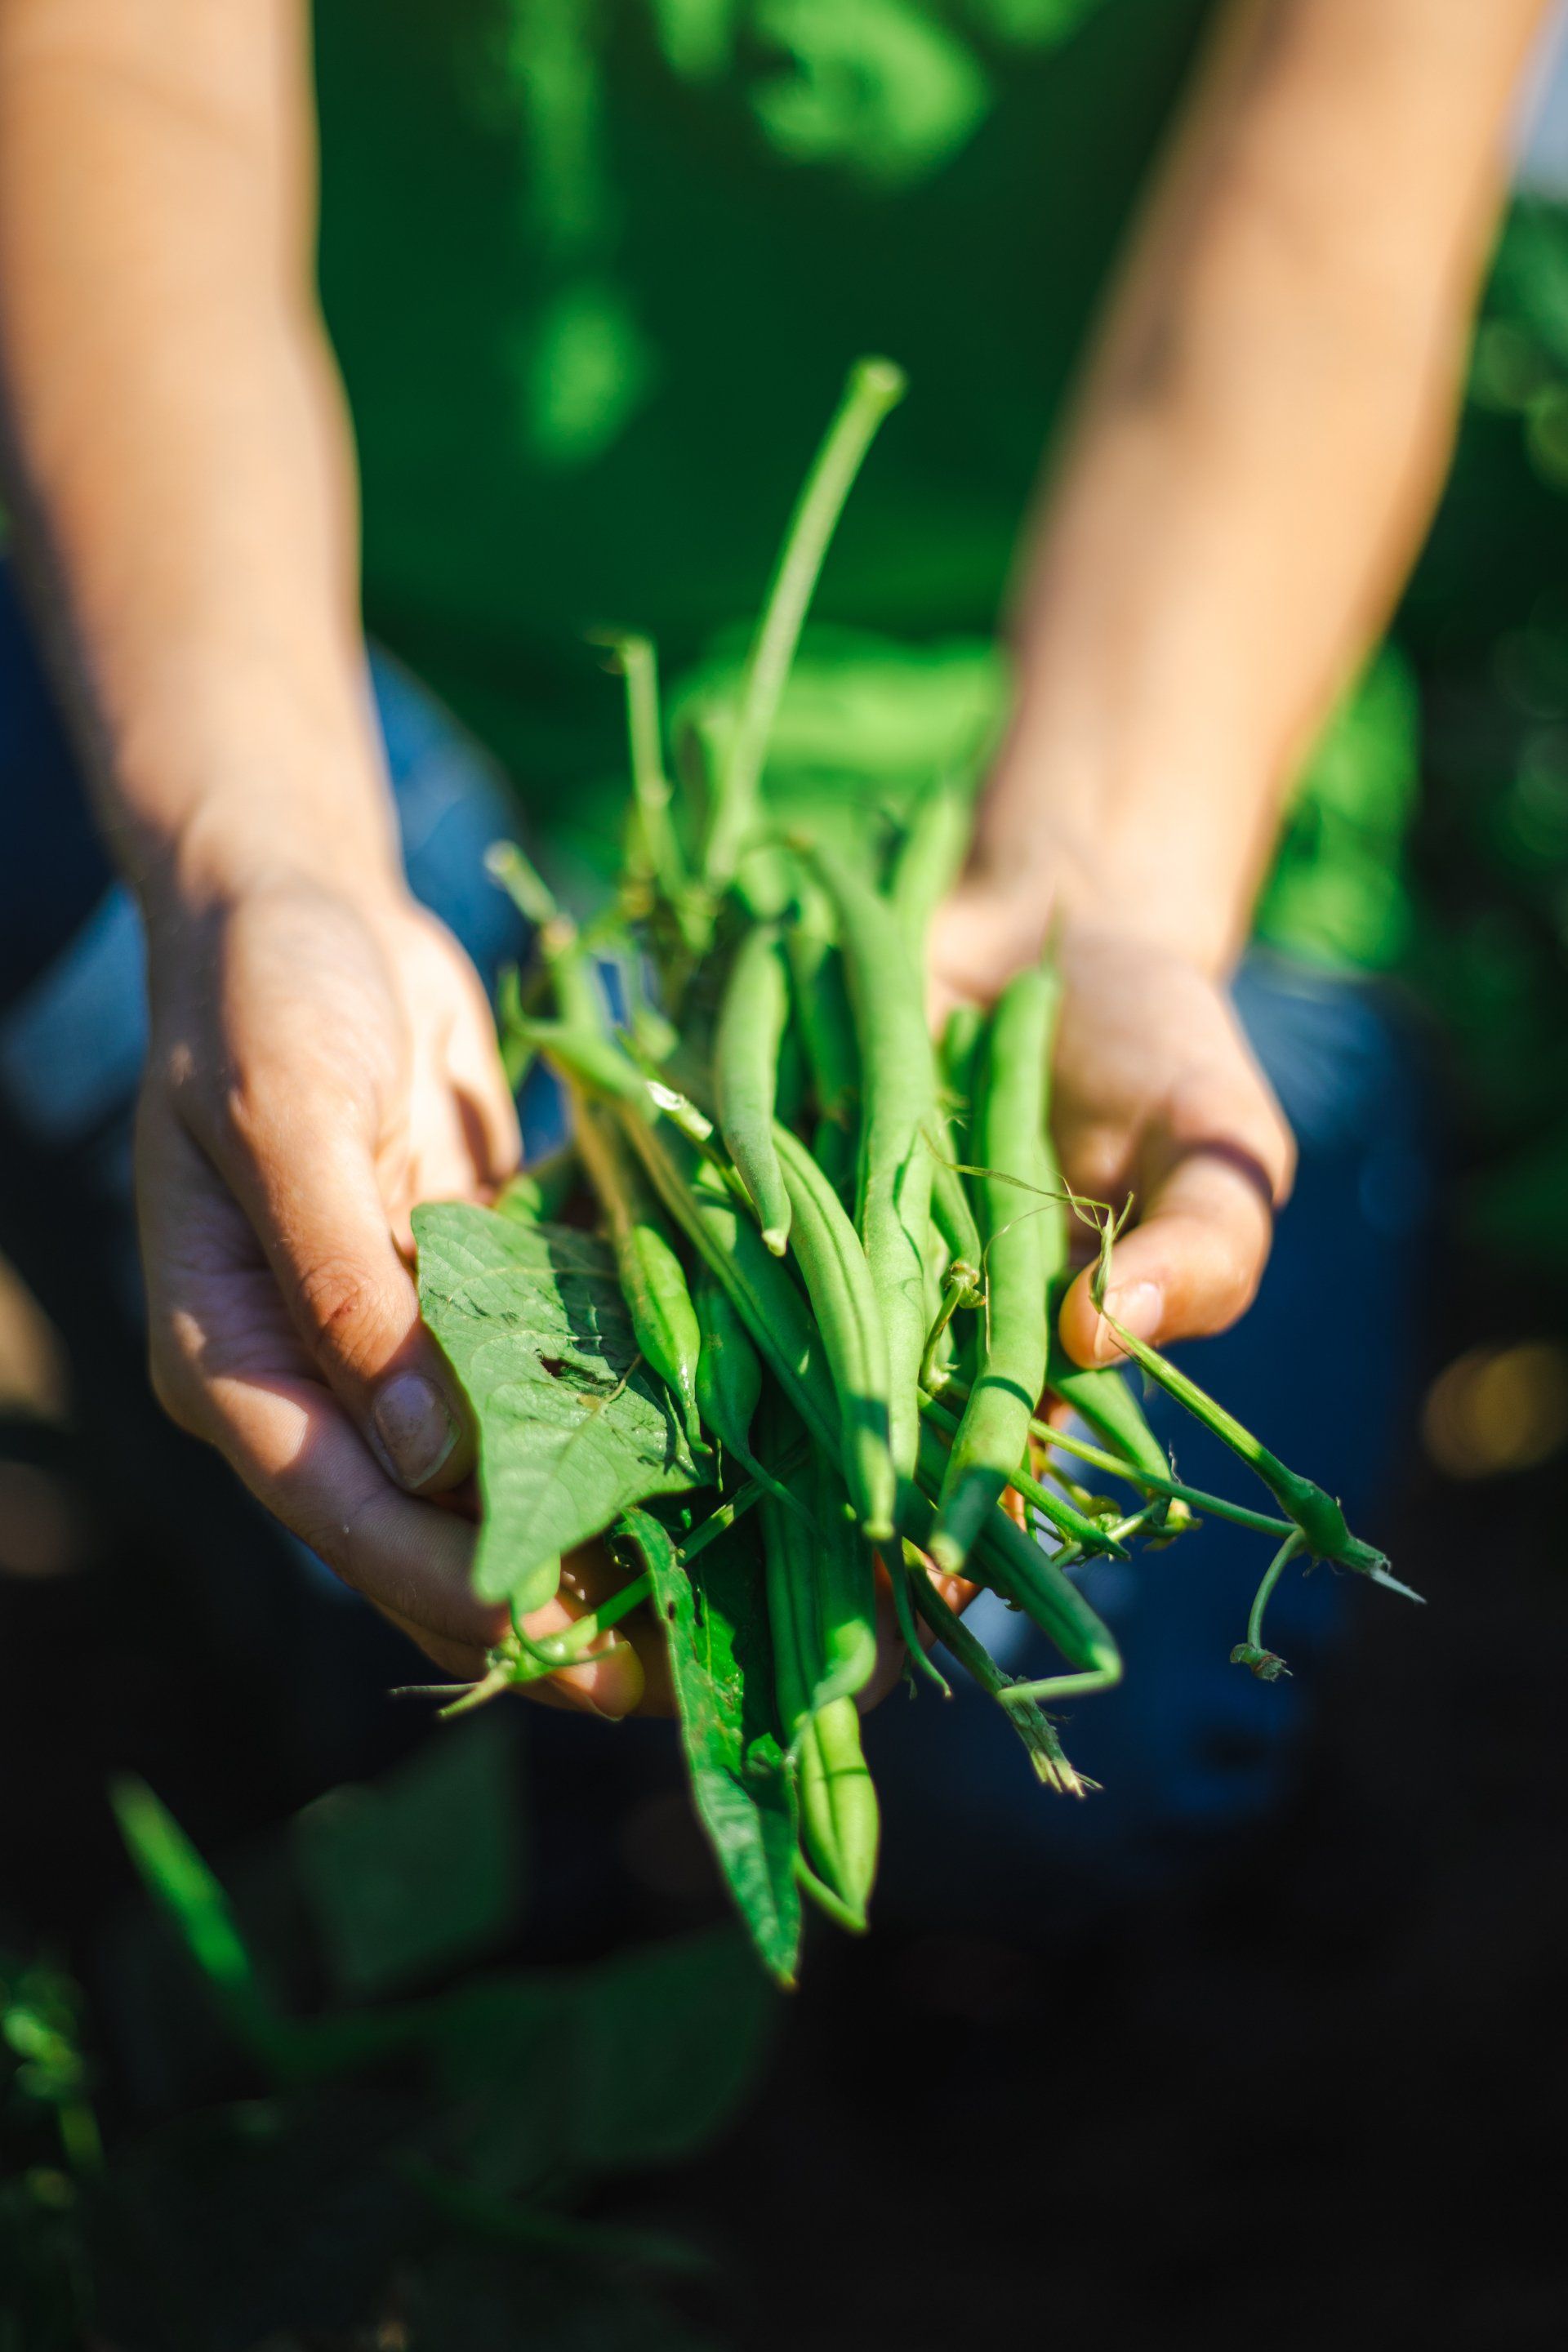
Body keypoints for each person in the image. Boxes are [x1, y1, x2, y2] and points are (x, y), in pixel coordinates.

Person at [0, 0, 1547, 1764]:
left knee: (1042, 1720)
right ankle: (396, 1745)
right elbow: (121, 64)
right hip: (329, 684)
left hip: (1093, 778)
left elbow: (1334, 240)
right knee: (365, 1473)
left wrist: (1100, 888)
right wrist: (256, 856)